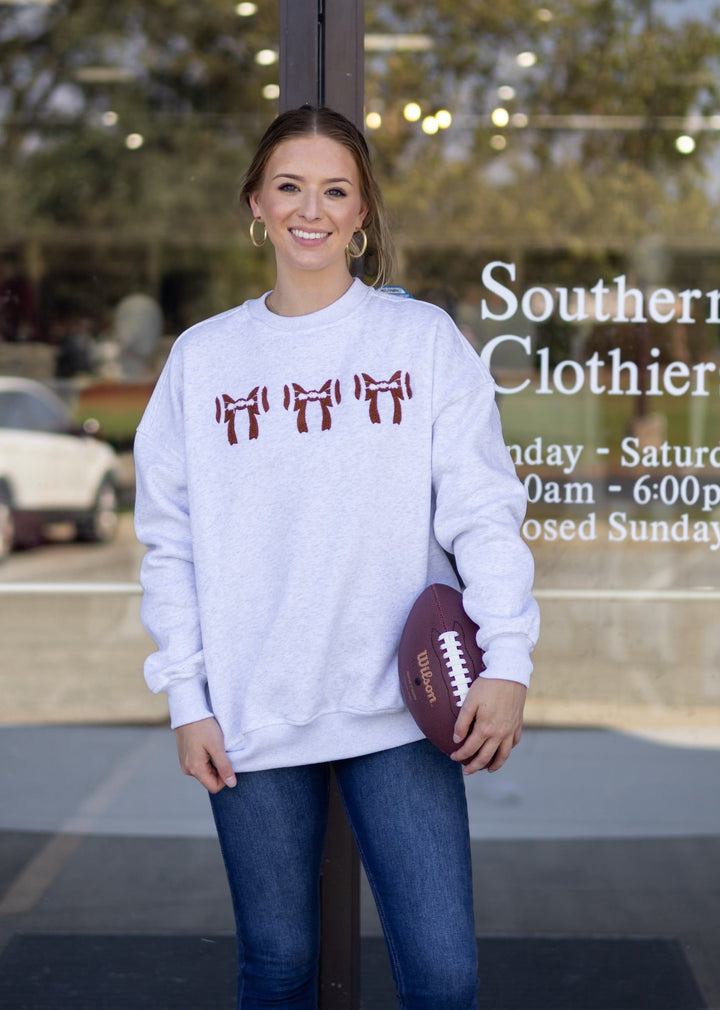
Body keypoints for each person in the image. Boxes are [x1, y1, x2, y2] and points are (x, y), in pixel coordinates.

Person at [134, 105, 540, 1010]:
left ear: (362, 213)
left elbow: (482, 509)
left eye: (334, 190)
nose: (309, 210)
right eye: (289, 187)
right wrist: (186, 700)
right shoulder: (204, 361)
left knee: (443, 978)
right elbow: (169, 545)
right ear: (256, 203)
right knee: (276, 969)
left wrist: (507, 658)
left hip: (400, 708)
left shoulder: (421, 341)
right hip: (253, 712)